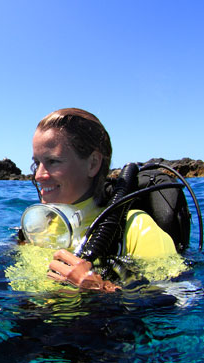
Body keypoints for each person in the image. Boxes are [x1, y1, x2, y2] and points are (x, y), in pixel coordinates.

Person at [29, 108, 178, 292]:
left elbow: (184, 298)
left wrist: (99, 288)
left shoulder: (137, 228)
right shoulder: (42, 226)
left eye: (53, 161)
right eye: (37, 163)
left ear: (92, 163)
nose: (38, 175)